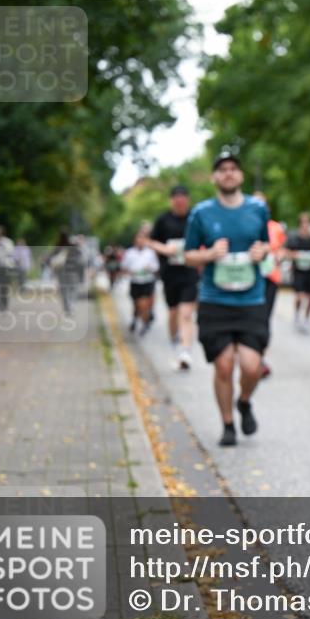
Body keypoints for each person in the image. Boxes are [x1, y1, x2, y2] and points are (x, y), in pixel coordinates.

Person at [184, 151, 270, 447]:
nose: (228, 173)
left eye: (233, 168)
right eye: (222, 169)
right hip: (215, 300)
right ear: (214, 177)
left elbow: (266, 245)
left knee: (251, 367)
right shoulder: (201, 213)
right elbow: (188, 255)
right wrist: (209, 254)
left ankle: (244, 401)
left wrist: (262, 252)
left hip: (251, 300)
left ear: (241, 175)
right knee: (223, 366)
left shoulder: (257, 209)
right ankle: (228, 424)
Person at [148, 185, 201, 370]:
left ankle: (185, 351)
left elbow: (205, 240)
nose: (179, 202)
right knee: (173, 312)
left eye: (182, 198)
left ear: (187, 200)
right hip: (170, 274)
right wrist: (165, 249)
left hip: (190, 272)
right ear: (171, 201)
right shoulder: (163, 220)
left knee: (186, 313)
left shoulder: (195, 218)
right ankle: (174, 341)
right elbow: (151, 242)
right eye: (176, 199)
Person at [253, 191, 286, 379]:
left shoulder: (275, 228)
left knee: (265, 318)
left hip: (270, 278)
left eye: (263, 205)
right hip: (250, 279)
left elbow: (281, 250)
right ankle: (251, 356)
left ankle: (261, 358)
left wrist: (278, 257)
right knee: (252, 316)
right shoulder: (245, 226)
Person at [284, 212, 310, 333]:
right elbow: (286, 252)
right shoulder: (294, 239)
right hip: (298, 271)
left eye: (307, 223)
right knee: (299, 296)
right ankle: (297, 314)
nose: (305, 225)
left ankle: (307, 319)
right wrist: (295, 255)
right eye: (303, 223)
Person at [121, 229, 160, 335]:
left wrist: (149, 268)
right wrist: (130, 271)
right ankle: (135, 319)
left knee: (144, 304)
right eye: (138, 239)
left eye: (142, 239)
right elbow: (124, 267)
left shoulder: (150, 252)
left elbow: (156, 267)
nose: (140, 241)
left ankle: (145, 323)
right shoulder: (129, 253)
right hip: (135, 281)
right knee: (136, 304)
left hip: (147, 281)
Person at [49, 231, 85, 316]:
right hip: (73, 272)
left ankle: (67, 307)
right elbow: (80, 261)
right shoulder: (73, 247)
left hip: (61, 272)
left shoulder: (57, 246)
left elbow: (51, 259)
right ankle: (71, 306)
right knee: (73, 289)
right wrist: (81, 274)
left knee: (64, 290)